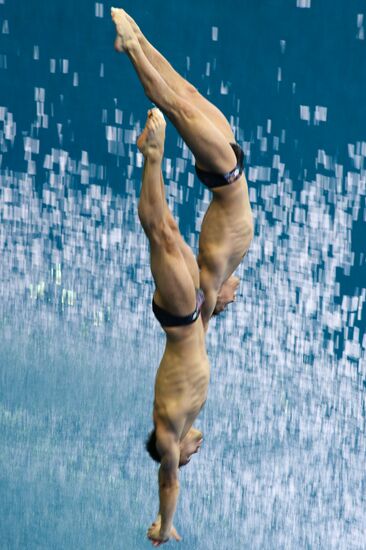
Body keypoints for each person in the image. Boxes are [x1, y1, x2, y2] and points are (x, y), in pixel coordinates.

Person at [111, 7, 253, 330]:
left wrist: (207, 313)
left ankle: (133, 48)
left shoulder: (210, 280)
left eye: (227, 306)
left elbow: (197, 332)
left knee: (174, 106)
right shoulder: (221, 268)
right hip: (231, 164)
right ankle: (137, 36)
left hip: (225, 172)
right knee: (185, 92)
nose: (236, 296)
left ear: (214, 303)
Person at [136, 107, 210, 546]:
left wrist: (164, 525)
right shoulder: (187, 423)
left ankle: (152, 156)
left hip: (178, 315)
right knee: (170, 227)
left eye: (183, 459)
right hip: (194, 309)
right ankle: (150, 156)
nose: (189, 456)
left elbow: (168, 483)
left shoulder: (167, 436)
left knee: (159, 232)